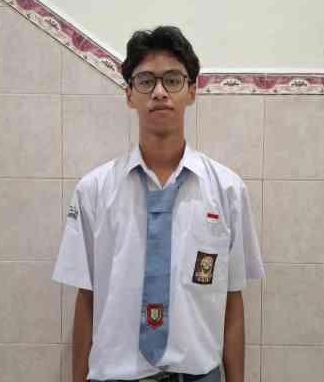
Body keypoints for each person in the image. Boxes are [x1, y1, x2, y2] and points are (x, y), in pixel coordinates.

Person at [52, 26, 265, 382]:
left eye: (173, 80)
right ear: (129, 94)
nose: (160, 92)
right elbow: (86, 298)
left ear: (192, 91)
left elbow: (232, 300)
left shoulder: (227, 190)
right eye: (146, 81)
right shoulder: (94, 190)